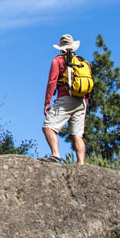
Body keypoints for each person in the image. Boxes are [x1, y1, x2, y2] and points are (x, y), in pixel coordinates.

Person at [42, 34, 87, 165]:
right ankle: (81, 163)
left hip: (65, 98)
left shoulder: (58, 60)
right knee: (77, 134)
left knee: (48, 127)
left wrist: (47, 102)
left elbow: (52, 82)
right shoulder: (82, 62)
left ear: (61, 47)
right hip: (82, 100)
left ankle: (55, 155)